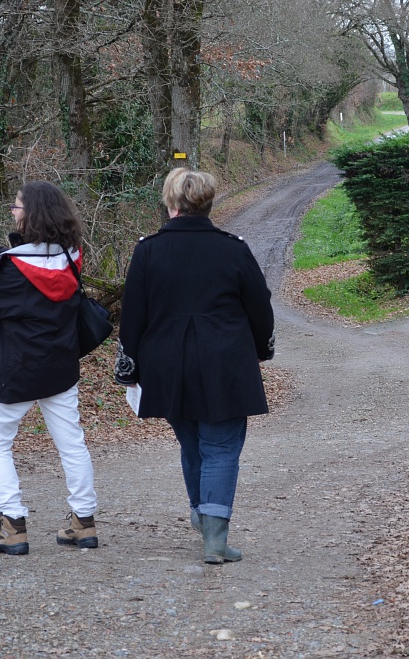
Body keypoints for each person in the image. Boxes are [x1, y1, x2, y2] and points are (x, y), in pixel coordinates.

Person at [115, 168, 274, 564]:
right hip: (226, 362)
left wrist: (129, 367)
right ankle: (214, 540)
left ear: (171, 203)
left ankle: (205, 521)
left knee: (192, 444)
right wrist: (261, 350)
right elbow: (260, 307)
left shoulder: (147, 250)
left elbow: (132, 315)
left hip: (167, 366)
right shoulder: (233, 248)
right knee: (219, 447)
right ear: (208, 202)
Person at [0, 181, 99, 555]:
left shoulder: (15, 267)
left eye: (16, 207)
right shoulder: (70, 255)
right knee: (71, 444)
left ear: (31, 216)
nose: (13, 212)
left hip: (13, 372)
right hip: (59, 368)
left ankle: (13, 526)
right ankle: (85, 523)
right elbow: (27, 266)